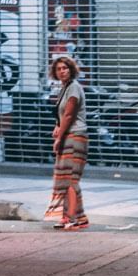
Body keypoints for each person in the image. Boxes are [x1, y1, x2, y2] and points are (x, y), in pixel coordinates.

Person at [49, 55, 90, 230]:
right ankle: (71, 216)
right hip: (68, 135)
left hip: (75, 136)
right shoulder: (65, 88)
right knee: (65, 178)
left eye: (64, 68)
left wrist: (59, 137)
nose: (62, 71)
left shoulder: (73, 88)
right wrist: (57, 127)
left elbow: (69, 114)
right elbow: (62, 115)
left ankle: (74, 218)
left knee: (71, 178)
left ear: (71, 69)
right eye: (58, 69)